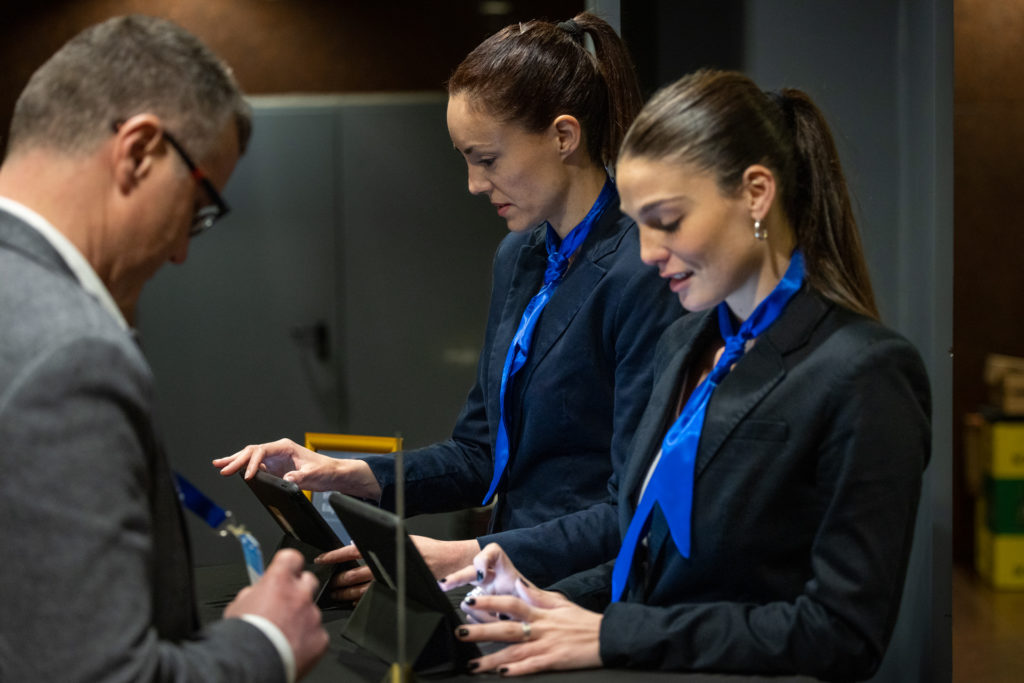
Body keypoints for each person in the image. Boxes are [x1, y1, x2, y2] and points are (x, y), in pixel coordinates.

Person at [439, 69, 932, 681]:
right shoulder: (687, 340)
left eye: (667, 221)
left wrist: (609, 631)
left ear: (756, 193)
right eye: (638, 223)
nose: (648, 252)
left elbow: (841, 634)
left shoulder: (865, 372)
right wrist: (548, 605)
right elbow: (651, 560)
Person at [214, 12, 681, 594]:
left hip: (588, 593)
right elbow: (480, 454)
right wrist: (349, 476)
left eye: (486, 159)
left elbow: (635, 510)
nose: (473, 184)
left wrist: (465, 556)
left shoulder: (646, 270)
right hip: (509, 585)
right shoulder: (518, 256)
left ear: (564, 137)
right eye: (465, 159)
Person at [0, 16, 327, 682]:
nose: (180, 252)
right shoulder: (70, 353)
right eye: (199, 207)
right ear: (140, 151)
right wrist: (265, 638)